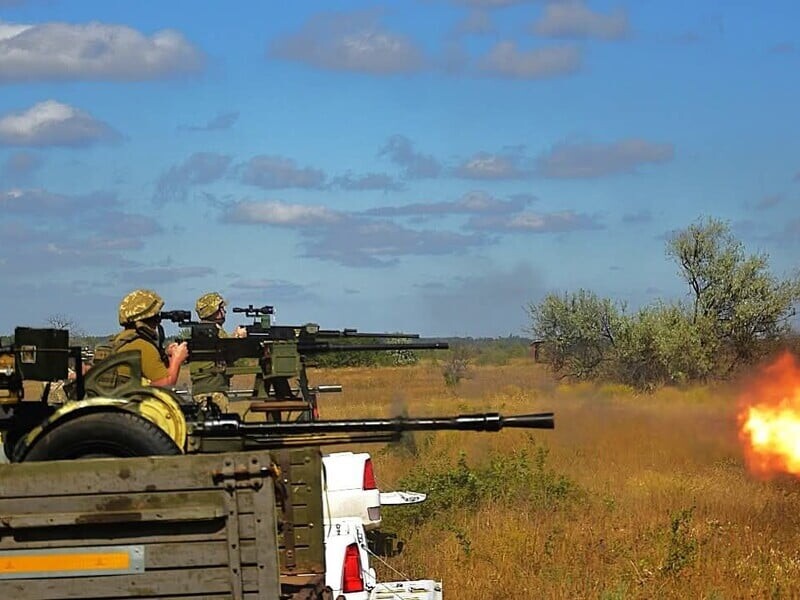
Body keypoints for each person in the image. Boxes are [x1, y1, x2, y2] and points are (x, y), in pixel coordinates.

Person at [108, 289, 188, 387]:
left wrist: (168, 356)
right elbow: (166, 384)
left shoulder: (118, 341)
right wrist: (177, 359)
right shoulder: (142, 346)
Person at [190, 292, 245, 411]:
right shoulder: (215, 332)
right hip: (214, 391)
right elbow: (230, 353)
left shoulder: (201, 332)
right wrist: (239, 339)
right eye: (221, 308)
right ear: (214, 311)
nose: (224, 311)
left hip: (201, 389)